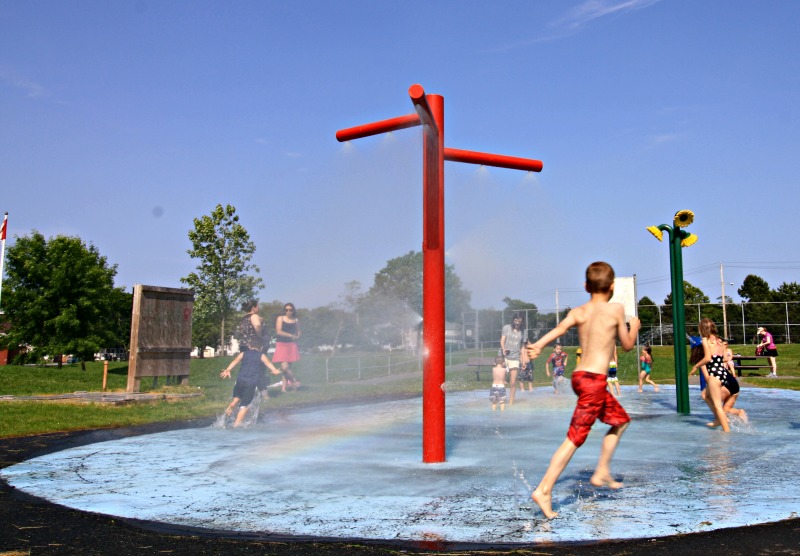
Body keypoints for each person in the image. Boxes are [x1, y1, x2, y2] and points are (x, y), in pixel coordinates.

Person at [526, 261, 640, 519]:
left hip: (580, 378)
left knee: (620, 421)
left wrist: (539, 345)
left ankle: (602, 470)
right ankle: (544, 489)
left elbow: (559, 329)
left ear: (586, 286)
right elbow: (627, 346)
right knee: (575, 438)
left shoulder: (579, 311)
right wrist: (634, 327)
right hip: (593, 382)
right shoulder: (616, 310)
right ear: (612, 287)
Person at [220, 345, 281, 428]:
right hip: (251, 382)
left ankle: (232, 405)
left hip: (240, 380)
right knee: (245, 405)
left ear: (249, 346)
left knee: (236, 398)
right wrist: (274, 370)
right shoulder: (261, 355)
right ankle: (236, 425)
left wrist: (228, 369)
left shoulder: (243, 353)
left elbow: (235, 361)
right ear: (261, 347)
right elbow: (268, 363)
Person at [689, 318, 731, 432]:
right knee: (704, 395)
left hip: (714, 374)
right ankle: (720, 419)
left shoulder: (705, 340)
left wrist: (696, 366)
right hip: (722, 372)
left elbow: (707, 358)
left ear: (702, 329)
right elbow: (725, 359)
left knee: (717, 405)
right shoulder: (720, 341)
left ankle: (726, 430)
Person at [273, 303, 301, 391]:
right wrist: (290, 335)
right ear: (284, 310)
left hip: (291, 345)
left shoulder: (296, 320)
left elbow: (299, 330)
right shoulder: (280, 318)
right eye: (286, 310)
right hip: (281, 344)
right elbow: (279, 331)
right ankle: (293, 382)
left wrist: (297, 336)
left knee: (288, 368)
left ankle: (283, 389)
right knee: (285, 367)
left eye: (290, 310)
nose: (288, 311)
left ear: (293, 310)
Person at [500, 312, 525, 404]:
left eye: (519, 321)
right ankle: (501, 400)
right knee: (500, 380)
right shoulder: (506, 328)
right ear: (513, 320)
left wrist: (523, 360)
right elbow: (502, 340)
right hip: (504, 356)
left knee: (513, 382)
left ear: (522, 321)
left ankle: (511, 402)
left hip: (515, 358)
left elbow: (522, 347)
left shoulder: (523, 332)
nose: (517, 323)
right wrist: (503, 349)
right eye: (516, 320)